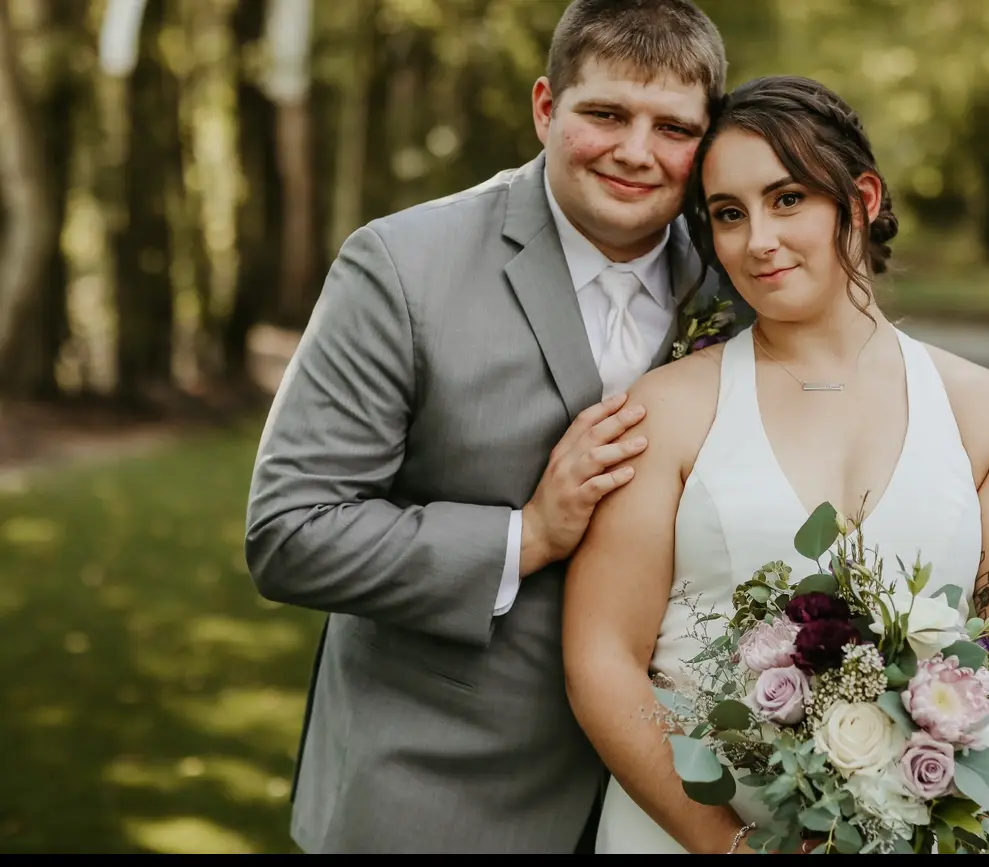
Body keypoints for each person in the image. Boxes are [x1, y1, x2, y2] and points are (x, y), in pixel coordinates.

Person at [244, 0, 751, 854]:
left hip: (670, 799)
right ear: (546, 107)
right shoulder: (401, 267)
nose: (636, 151)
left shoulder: (733, 283)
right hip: (439, 793)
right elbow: (291, 532)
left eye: (673, 128)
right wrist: (529, 535)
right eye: (606, 114)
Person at [562, 75, 989, 855]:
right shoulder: (666, 411)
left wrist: (915, 800)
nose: (758, 239)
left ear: (861, 200)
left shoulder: (987, 412)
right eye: (729, 213)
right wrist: (732, 846)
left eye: (788, 199)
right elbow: (602, 659)